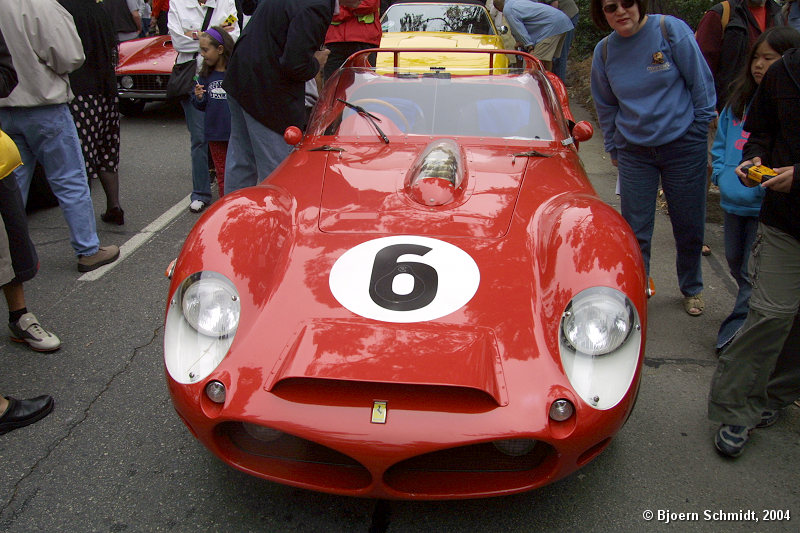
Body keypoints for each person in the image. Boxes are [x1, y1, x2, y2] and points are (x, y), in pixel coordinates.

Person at [589, 0, 716, 316]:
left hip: (683, 145)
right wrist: (615, 149)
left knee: (688, 224)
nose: (621, 11)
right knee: (635, 229)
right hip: (635, 152)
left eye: (627, 2)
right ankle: (638, 289)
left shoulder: (668, 30)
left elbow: (700, 83)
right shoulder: (604, 52)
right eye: (610, 7)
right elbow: (606, 106)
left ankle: (691, 288)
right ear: (601, 14)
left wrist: (698, 130)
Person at [708, 43, 800, 458]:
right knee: (771, 313)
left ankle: (775, 396)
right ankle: (738, 409)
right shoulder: (786, 72)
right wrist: (754, 158)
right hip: (786, 220)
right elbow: (759, 130)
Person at [0, 0, 120, 273]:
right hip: (44, 104)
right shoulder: (40, 5)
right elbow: (70, 55)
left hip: (5, 104)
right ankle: (87, 249)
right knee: (70, 179)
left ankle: (9, 255)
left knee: (12, 185)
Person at [711, 27, 800, 353]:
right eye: (756, 58)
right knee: (737, 264)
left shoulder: (787, 108)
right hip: (734, 202)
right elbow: (722, 146)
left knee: (753, 274)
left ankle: (733, 337)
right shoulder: (739, 103)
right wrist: (722, 174)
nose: (760, 66)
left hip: (767, 209)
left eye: (770, 58)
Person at [222, 0, 364, 195]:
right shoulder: (317, 6)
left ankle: (233, 214)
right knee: (277, 169)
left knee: (241, 160)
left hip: (241, 74)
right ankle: (277, 218)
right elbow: (295, 65)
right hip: (265, 88)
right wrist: (316, 62)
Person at [168, 0, 239, 213]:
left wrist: (195, 34)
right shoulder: (177, 3)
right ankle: (200, 192)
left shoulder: (226, 2)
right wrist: (212, 35)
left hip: (222, 73)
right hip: (193, 74)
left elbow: (233, 37)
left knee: (230, 136)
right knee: (199, 138)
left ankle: (233, 194)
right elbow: (177, 42)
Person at [60, 0, 126, 226]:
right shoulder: (99, 10)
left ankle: (84, 223)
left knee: (82, 157)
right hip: (107, 87)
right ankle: (114, 205)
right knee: (107, 148)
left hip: (79, 90)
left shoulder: (63, 9)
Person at [696, 0, 783, 114]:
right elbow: (701, 68)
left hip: (768, 110)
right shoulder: (720, 14)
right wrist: (710, 109)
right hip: (728, 110)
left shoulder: (779, 14)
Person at [191, 27, 234, 198]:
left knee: (239, 174)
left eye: (205, 50)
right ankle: (225, 208)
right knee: (222, 175)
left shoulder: (234, 72)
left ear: (220, 49)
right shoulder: (205, 75)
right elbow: (201, 105)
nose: (202, 54)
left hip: (235, 134)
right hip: (215, 134)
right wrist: (199, 97)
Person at [492, 0, 573, 73]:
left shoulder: (508, 10)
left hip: (552, 26)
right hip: (561, 21)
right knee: (546, 60)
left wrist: (529, 46)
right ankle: (547, 83)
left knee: (534, 62)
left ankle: (529, 86)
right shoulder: (516, 2)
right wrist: (520, 42)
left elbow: (519, 30)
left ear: (499, 8)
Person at [323, 0, 381, 81]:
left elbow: (370, 3)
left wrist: (341, 8)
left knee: (364, 84)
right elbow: (324, 7)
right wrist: (350, 8)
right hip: (335, 42)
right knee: (333, 87)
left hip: (362, 41)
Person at [544, 0, 580, 83]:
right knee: (554, 55)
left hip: (567, 16)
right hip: (561, 16)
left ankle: (559, 87)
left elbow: (554, 9)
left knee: (560, 55)